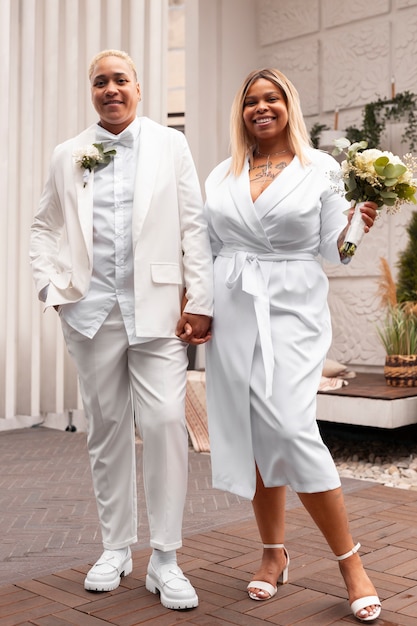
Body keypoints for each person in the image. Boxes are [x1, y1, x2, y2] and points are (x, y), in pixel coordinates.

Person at [30, 49, 213, 611]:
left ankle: (166, 557)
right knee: (106, 428)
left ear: (139, 87)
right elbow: (44, 225)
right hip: (89, 313)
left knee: (162, 423)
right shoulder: (68, 154)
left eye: (120, 80)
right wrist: (52, 289)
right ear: (92, 91)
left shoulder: (169, 144)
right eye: (100, 82)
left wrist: (201, 298)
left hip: (157, 309)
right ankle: (115, 548)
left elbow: (193, 223)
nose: (111, 89)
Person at [203, 67, 381, 623]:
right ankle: (273, 553)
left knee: (289, 424)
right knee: (257, 429)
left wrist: (357, 226)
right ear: (242, 112)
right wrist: (198, 308)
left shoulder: (322, 169)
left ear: (288, 105)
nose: (261, 107)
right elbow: (206, 248)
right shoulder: (222, 174)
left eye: (271, 98)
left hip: (293, 307)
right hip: (235, 306)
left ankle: (350, 561)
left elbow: (337, 252)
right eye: (251, 100)